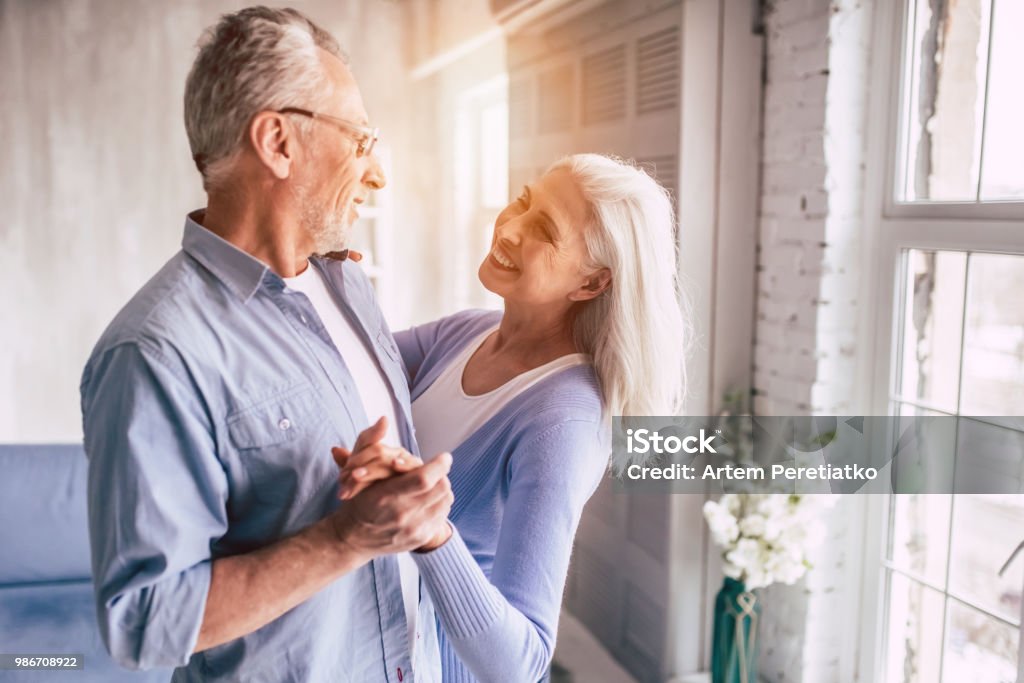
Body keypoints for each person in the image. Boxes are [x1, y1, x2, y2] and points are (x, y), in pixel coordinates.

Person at [80, 7, 453, 681]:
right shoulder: (154, 354)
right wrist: (347, 537)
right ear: (278, 141)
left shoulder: (346, 283)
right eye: (361, 139)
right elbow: (145, 619)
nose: (377, 174)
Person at [336, 154, 688, 682]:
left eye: (544, 228)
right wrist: (335, 287)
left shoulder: (561, 421)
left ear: (591, 284)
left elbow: (521, 663)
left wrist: (432, 532)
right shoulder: (465, 332)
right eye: (523, 200)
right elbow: (344, 370)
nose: (511, 226)